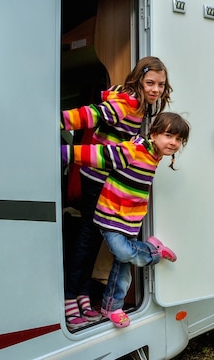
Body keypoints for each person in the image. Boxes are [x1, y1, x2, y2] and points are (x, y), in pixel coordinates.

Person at [61, 56, 173, 330]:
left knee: (94, 240)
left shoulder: (141, 105)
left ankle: (83, 294)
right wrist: (60, 121)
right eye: (150, 83)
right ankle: (70, 296)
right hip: (95, 177)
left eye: (160, 84)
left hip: (105, 178)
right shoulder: (130, 102)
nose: (156, 89)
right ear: (139, 79)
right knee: (87, 239)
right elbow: (94, 114)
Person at [62, 112, 190, 328]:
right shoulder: (136, 149)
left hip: (131, 218)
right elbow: (103, 155)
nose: (174, 143)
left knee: (121, 265)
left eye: (178, 139)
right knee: (122, 252)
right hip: (110, 213)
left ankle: (112, 306)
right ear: (154, 133)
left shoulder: (155, 155)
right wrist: (67, 152)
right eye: (169, 135)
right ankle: (152, 252)